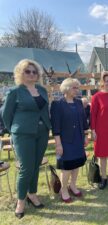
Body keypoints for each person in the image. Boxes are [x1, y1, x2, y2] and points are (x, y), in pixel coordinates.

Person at [1, 59, 51, 219]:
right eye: (27, 71)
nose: (31, 74)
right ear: (20, 73)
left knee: (36, 165)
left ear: (38, 74)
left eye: (34, 71)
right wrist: (14, 131)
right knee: (26, 168)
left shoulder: (42, 90)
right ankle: (21, 201)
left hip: (42, 132)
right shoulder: (15, 91)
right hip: (23, 134)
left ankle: (32, 194)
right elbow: (5, 115)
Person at [51, 78, 89, 203]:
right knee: (66, 167)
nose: (77, 90)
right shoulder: (57, 104)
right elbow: (55, 127)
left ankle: (73, 185)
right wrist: (58, 144)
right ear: (66, 88)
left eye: (78, 88)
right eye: (74, 87)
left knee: (77, 164)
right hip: (65, 141)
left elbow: (84, 122)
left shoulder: (79, 103)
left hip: (78, 139)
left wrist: (85, 136)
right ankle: (64, 190)